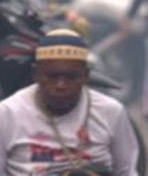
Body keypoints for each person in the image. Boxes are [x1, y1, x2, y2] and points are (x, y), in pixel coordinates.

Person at [0, 29, 139, 175]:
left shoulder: (111, 111)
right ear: (36, 74)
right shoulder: (8, 113)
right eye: (52, 76)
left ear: (85, 76)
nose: (61, 85)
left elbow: (127, 171)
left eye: (71, 77)